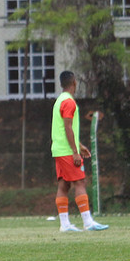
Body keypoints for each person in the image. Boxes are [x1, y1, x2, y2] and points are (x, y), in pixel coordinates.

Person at [50, 71, 108, 232]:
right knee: (80, 182)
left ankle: (65, 224)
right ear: (74, 82)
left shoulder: (59, 101)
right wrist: (75, 152)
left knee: (64, 185)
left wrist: (79, 145)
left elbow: (62, 129)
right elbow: (68, 127)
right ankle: (88, 222)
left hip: (59, 149)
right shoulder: (69, 102)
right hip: (67, 151)